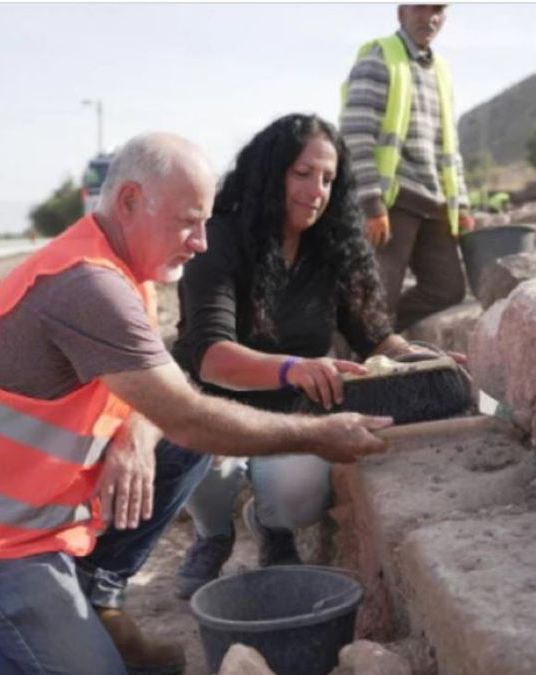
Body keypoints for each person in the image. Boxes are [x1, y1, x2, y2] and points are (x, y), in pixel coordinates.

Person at [0, 132, 392, 675]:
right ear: (129, 201)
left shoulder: (127, 273)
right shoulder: (88, 287)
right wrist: (318, 433)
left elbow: (168, 399)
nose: (200, 241)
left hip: (37, 520)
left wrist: (133, 433)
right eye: (188, 221)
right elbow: (190, 415)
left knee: (175, 444)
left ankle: (91, 596)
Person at [166, 113, 435, 600]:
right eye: (303, 173)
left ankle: (271, 525)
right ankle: (213, 533)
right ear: (271, 172)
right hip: (213, 407)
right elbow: (209, 356)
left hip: (294, 416)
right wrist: (294, 368)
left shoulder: (332, 248)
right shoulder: (217, 238)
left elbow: (377, 337)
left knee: (295, 489)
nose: (317, 190)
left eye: (329, 179)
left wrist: (423, 359)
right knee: (192, 455)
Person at [340, 4, 473, 333]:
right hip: (392, 202)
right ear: (401, 13)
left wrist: (463, 204)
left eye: (438, 9)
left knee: (447, 289)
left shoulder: (440, 69)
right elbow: (356, 134)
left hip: (436, 203)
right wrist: (371, 203)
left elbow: (449, 146)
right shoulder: (379, 57)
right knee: (376, 297)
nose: (430, 17)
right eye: (420, 8)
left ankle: (383, 337)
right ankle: (355, 368)